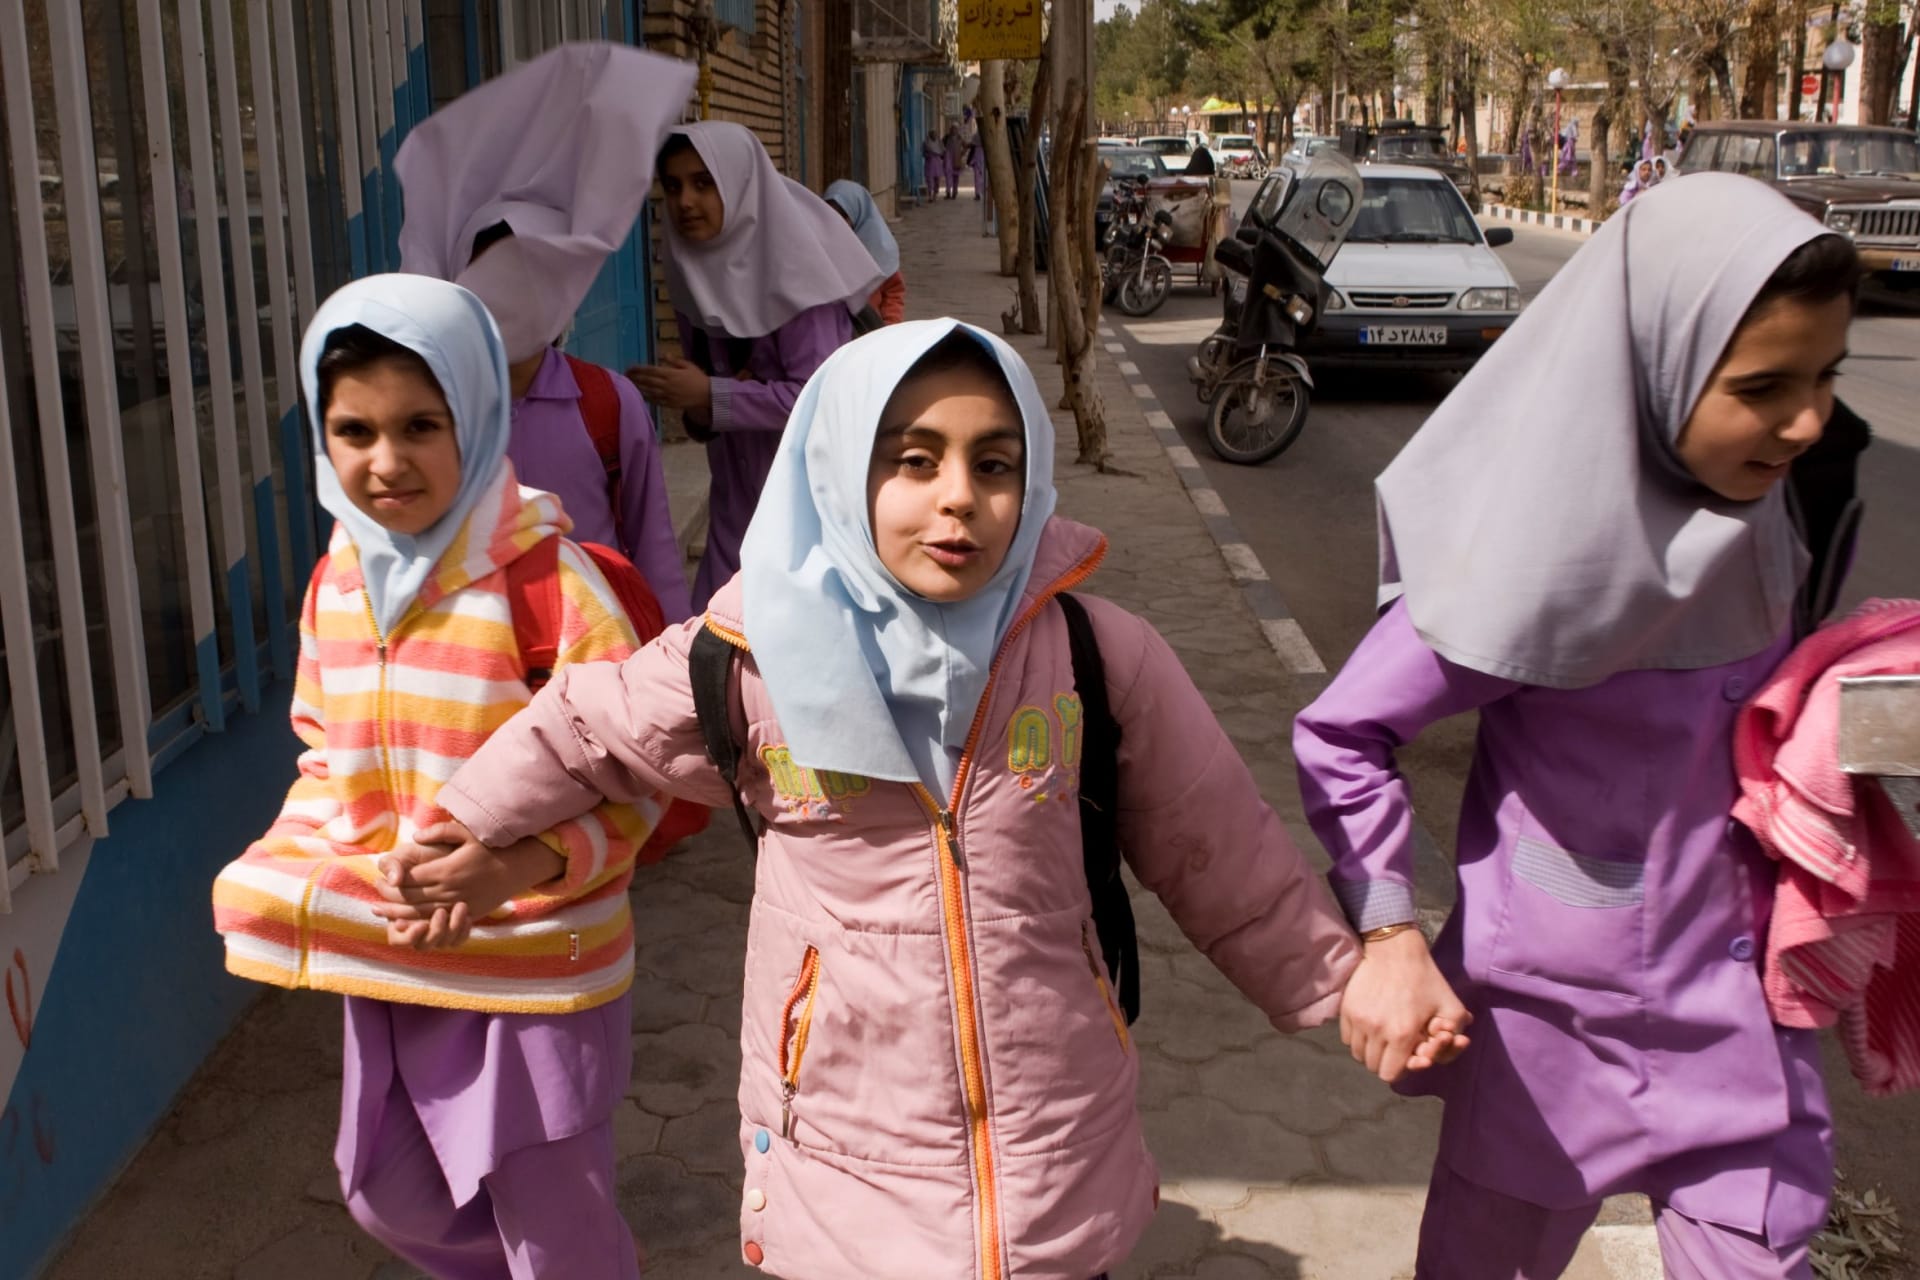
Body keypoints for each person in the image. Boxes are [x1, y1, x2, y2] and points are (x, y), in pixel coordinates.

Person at [430, 319, 1370, 1280]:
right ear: (840, 470)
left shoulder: (1095, 654)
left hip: (1052, 1157)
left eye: (994, 465)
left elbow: (1218, 842)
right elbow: (586, 726)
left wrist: (1345, 981)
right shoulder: (750, 657)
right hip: (840, 1160)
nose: (958, 496)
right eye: (914, 461)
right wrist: (466, 824)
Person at [1293, 174, 1862, 1277]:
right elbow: (1342, 733)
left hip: (1746, 1026)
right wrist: (1389, 933)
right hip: (1548, 1040)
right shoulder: (1531, 557)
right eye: (1762, 388)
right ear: (1656, 368)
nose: (1807, 421)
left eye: (1826, 376)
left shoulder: (1788, 515)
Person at [211, 275, 664, 1279]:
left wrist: (516, 867)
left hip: (537, 967)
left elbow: (642, 776)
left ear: (478, 415)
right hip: (396, 955)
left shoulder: (549, 582)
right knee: (384, 1189)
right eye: (353, 430)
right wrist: (287, 878)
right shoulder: (337, 582)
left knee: (556, 1234)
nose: (386, 461)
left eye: (421, 424)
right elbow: (325, 759)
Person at [394, 42, 695, 622]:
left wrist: (673, 649)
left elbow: (654, 546)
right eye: (494, 273)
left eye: (535, 273)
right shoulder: (431, 411)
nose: (513, 297)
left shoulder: (607, 402)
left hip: (595, 648)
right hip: (473, 650)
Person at [629, 122, 884, 610]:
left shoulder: (797, 273)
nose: (685, 201)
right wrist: (693, 400)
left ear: (739, 184)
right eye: (673, 186)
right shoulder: (690, 267)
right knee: (719, 632)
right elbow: (711, 395)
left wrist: (710, 394)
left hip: (812, 503)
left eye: (704, 183)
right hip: (736, 500)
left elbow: (817, 396)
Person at [825, 179, 907, 324]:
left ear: (858, 213)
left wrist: (890, 325)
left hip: (871, 328)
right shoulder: (820, 246)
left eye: (843, 216)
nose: (837, 222)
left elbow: (893, 292)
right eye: (830, 215)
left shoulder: (880, 249)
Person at [922, 130, 948, 202]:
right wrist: (929, 155)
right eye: (932, 134)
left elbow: (943, 151)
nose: (934, 135)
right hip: (929, 163)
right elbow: (923, 154)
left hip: (938, 163)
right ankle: (930, 196)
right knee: (930, 180)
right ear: (929, 135)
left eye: (935, 134)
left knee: (937, 181)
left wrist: (941, 154)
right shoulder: (926, 143)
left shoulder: (939, 142)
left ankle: (935, 195)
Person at [943, 121, 967, 198]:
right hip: (948, 159)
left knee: (955, 177)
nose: (954, 130)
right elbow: (940, 146)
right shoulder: (946, 138)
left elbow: (965, 146)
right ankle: (948, 192)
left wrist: (962, 153)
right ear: (950, 129)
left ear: (957, 130)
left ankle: (955, 191)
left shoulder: (960, 138)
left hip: (956, 160)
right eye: (952, 128)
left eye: (955, 129)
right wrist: (943, 154)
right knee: (948, 176)